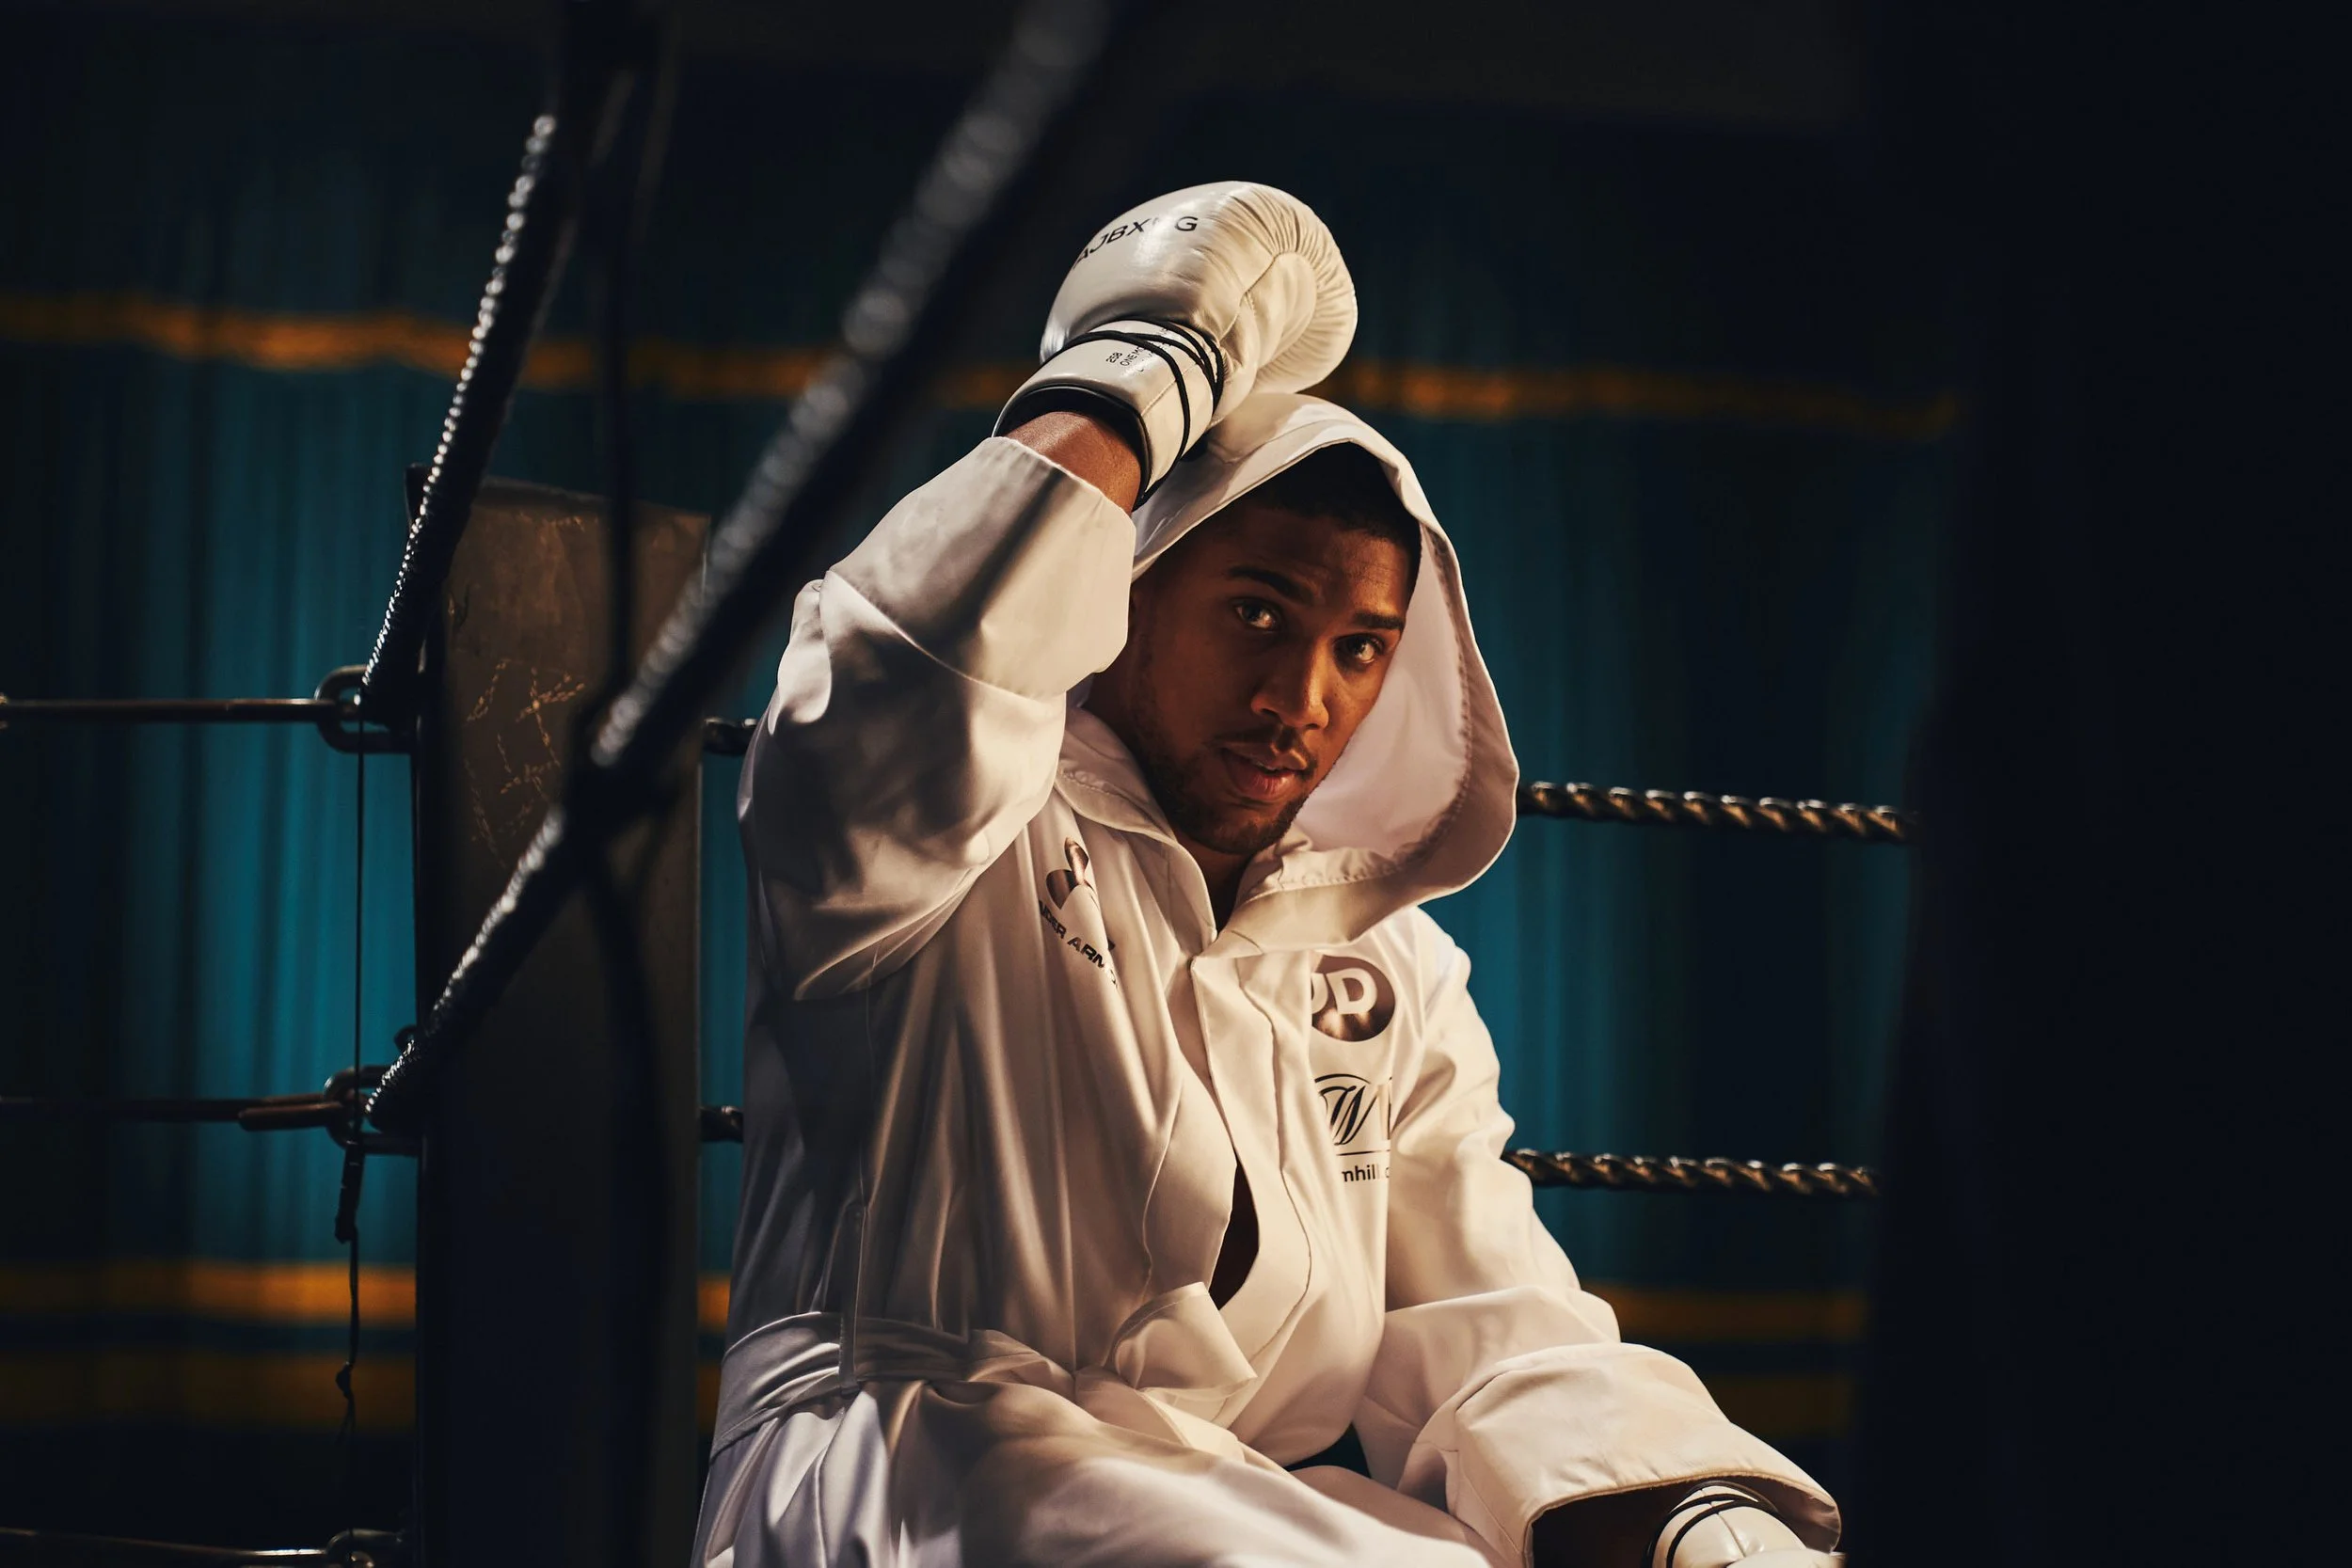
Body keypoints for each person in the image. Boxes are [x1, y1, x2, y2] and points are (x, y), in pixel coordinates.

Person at [697, 182, 1841, 1568]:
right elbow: (902, 665)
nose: (1302, 693)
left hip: (1206, 1495)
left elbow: (1486, 1321)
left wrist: (1699, 1521)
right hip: (902, 1478)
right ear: (1123, 589)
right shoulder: (947, 833)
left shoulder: (1381, 961)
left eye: (1361, 644)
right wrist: (1143, 368)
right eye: (1257, 611)